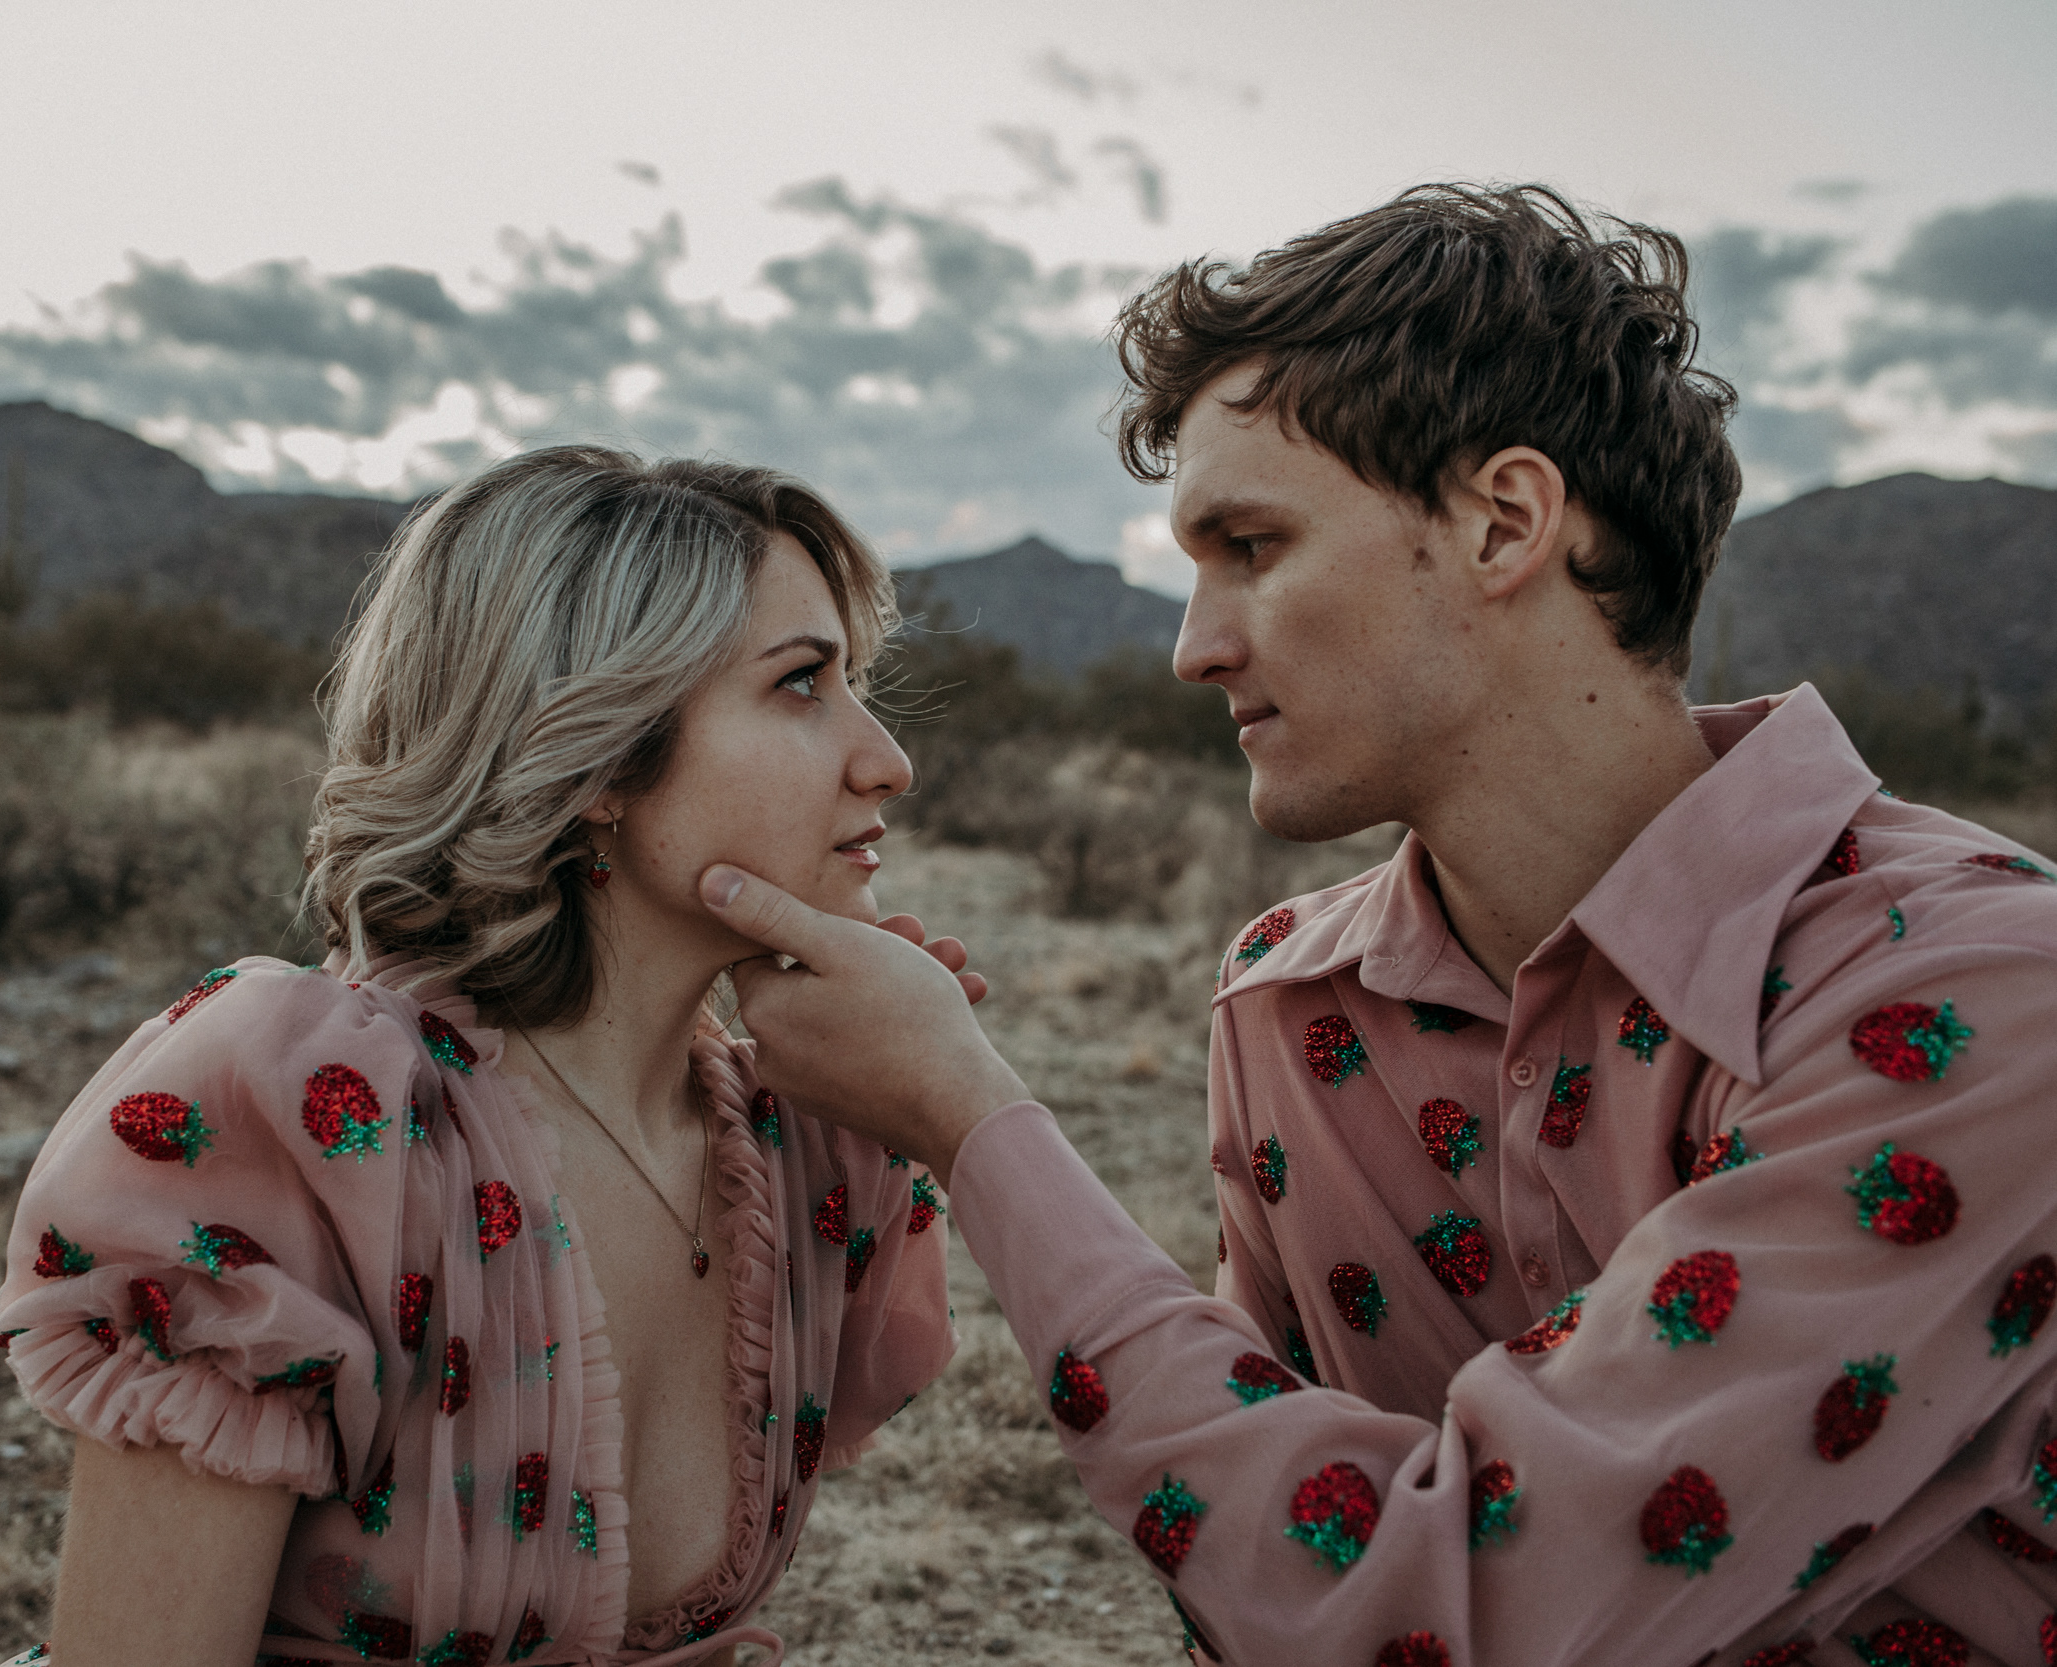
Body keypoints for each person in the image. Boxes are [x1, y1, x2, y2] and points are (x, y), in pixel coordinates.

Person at [691, 185, 2057, 1665]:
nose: (1193, 645)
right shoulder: (1289, 1004)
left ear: (1503, 523)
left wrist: (972, 1120)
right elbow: (1257, 1563)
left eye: (1251, 544)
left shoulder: (1975, 993)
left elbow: (1449, 1608)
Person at [0, 449, 969, 1667]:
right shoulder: (315, 1126)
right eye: (801, 682)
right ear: (601, 753)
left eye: (853, 681)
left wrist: (947, 1100)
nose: (888, 760)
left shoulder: (809, 1140)